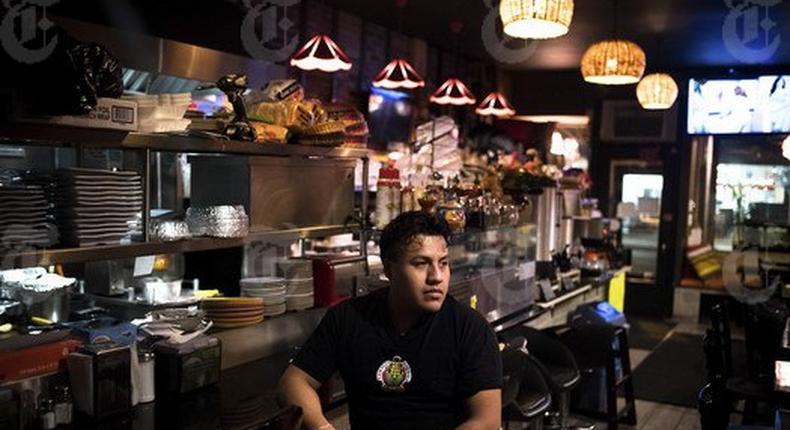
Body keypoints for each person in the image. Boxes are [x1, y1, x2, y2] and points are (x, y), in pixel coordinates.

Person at [278, 211, 502, 430]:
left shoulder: (469, 328)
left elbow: (487, 421)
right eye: (421, 263)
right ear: (389, 269)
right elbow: (293, 383)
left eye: (443, 263)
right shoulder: (349, 318)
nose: (437, 277)